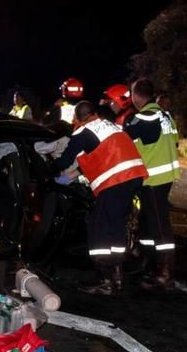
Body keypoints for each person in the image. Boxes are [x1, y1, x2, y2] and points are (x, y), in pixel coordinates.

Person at [48, 101, 148, 294]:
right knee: (116, 226)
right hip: (134, 177)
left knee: (98, 226)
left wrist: (50, 169)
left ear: (77, 119)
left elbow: (65, 160)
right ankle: (117, 276)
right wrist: (72, 176)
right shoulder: (110, 125)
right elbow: (103, 154)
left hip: (116, 181)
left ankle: (105, 278)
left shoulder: (82, 132)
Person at [125, 78, 180, 290]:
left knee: (159, 227)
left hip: (152, 179)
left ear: (136, 95)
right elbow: (174, 142)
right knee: (148, 226)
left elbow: (123, 145)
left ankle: (166, 273)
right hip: (165, 177)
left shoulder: (140, 119)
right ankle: (149, 265)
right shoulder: (166, 116)